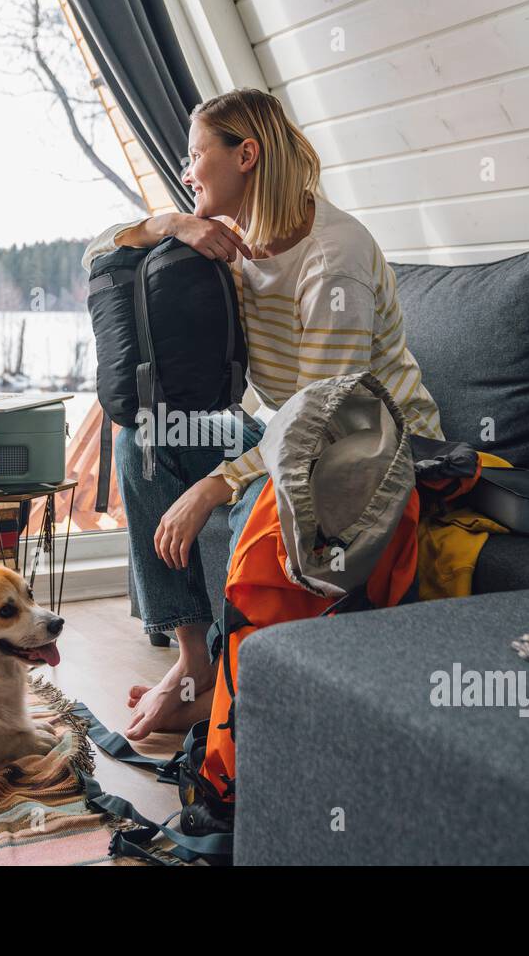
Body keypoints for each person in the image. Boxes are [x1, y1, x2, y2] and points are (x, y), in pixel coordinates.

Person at [81, 88, 443, 740]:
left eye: (195, 156)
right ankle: (194, 663)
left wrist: (216, 484)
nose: (187, 171)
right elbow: (99, 251)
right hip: (292, 431)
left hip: (374, 447)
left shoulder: (335, 259)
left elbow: (325, 412)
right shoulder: (233, 243)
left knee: (257, 514)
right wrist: (173, 224)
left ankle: (239, 681)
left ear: (245, 154)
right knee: (144, 440)